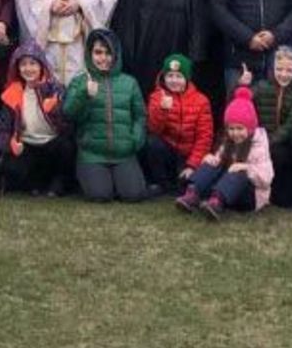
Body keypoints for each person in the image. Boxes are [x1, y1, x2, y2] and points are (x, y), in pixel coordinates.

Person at [63, 28, 147, 203]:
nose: (103, 58)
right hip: (92, 154)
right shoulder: (80, 81)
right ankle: (96, 180)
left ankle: (120, 181)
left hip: (124, 154)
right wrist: (84, 94)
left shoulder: (129, 82)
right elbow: (68, 113)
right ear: (90, 54)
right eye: (98, 52)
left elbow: (140, 116)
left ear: (116, 54)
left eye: (109, 53)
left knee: (134, 195)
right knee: (99, 195)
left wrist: (135, 141)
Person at [175, 87, 274, 221]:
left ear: (250, 128)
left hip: (250, 196)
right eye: (231, 128)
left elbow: (266, 177)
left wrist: (246, 168)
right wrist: (210, 159)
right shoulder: (228, 141)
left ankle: (217, 202)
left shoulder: (258, 143)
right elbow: (219, 161)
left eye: (240, 128)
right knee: (214, 163)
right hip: (227, 189)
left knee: (238, 171)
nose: (235, 133)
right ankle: (193, 193)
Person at [0, 42, 72, 196]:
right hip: (27, 145)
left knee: (67, 147)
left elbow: (68, 123)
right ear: (17, 67)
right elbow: (2, 127)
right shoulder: (12, 92)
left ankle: (58, 182)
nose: (28, 68)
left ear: (41, 66)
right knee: (11, 166)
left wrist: (55, 109)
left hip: (51, 143)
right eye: (23, 64)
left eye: (33, 63)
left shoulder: (55, 89)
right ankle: (34, 183)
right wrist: (10, 144)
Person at [139, 52, 214, 192]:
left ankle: (181, 182)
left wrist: (192, 165)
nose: (174, 81)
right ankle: (161, 183)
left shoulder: (201, 100)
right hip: (169, 152)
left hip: (189, 155)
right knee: (152, 143)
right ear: (164, 77)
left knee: (186, 185)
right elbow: (153, 129)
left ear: (187, 78)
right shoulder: (157, 96)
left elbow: (205, 137)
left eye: (179, 76)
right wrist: (162, 110)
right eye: (170, 76)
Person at [250, 46, 292, 207]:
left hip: (282, 143)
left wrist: (269, 141)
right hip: (261, 141)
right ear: (272, 68)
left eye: (289, 70)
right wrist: (241, 86)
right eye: (279, 69)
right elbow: (244, 102)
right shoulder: (261, 86)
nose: (283, 74)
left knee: (284, 200)